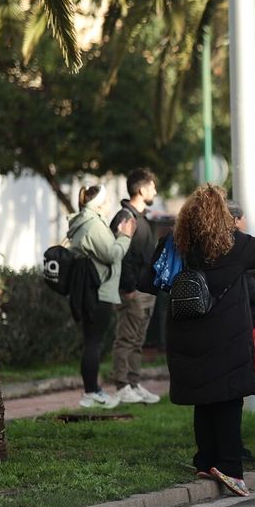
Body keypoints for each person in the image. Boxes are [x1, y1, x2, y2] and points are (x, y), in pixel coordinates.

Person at [165, 185, 255, 496]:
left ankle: (206, 459)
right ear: (223, 216)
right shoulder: (233, 245)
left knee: (204, 399)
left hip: (187, 331)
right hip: (226, 334)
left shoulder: (181, 244)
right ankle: (230, 467)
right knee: (229, 399)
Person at [67, 184, 133, 408]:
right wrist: (124, 237)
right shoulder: (93, 225)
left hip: (92, 290)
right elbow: (112, 254)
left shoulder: (86, 223)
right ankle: (91, 393)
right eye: (106, 201)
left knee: (91, 342)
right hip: (98, 292)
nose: (109, 204)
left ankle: (92, 390)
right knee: (93, 343)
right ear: (98, 204)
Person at [108, 169, 160, 404]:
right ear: (141, 190)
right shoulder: (124, 217)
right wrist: (128, 288)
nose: (155, 191)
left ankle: (133, 384)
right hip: (132, 292)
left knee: (138, 340)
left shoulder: (143, 217)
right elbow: (121, 255)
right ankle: (121, 386)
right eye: (152, 186)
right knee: (126, 339)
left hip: (146, 290)